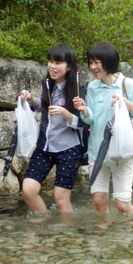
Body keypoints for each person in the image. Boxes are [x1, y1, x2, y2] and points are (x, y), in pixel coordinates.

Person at [73, 42, 133, 216]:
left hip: (122, 151)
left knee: (121, 204)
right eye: (90, 63)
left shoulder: (127, 84)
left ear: (108, 61)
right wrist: (84, 109)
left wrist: (125, 102)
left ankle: (132, 234)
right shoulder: (92, 87)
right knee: (99, 201)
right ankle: (103, 240)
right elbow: (90, 119)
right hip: (96, 151)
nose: (92, 67)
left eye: (96, 62)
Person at [19, 44, 86, 214]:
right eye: (50, 61)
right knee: (28, 189)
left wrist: (65, 113)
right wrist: (31, 100)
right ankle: (44, 223)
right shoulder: (48, 84)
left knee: (61, 199)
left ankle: (64, 237)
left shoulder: (78, 91)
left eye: (58, 62)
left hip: (69, 149)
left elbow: (84, 123)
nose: (52, 66)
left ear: (69, 66)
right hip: (45, 147)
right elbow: (43, 105)